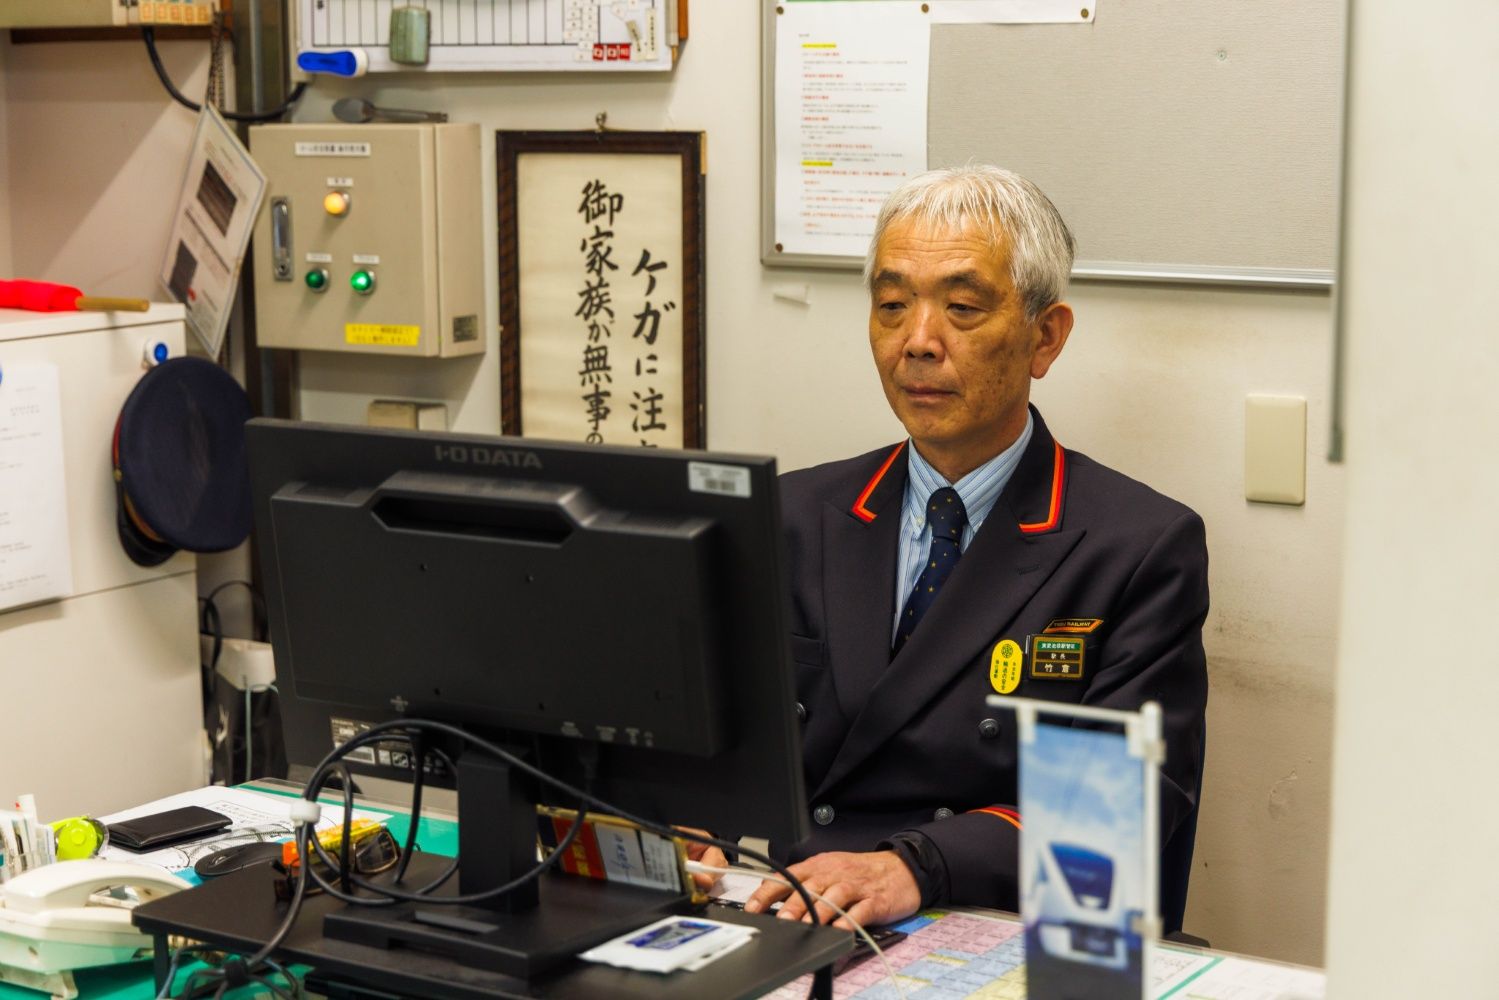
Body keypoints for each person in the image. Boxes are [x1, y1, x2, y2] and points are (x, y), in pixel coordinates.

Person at [699, 166, 1209, 933]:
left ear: (1044, 337)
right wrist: (692, 818)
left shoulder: (1135, 546)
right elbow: (721, 739)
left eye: (962, 308)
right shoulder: (795, 513)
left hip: (990, 914)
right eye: (891, 306)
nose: (917, 342)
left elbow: (1115, 808)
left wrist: (915, 865)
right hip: (803, 910)